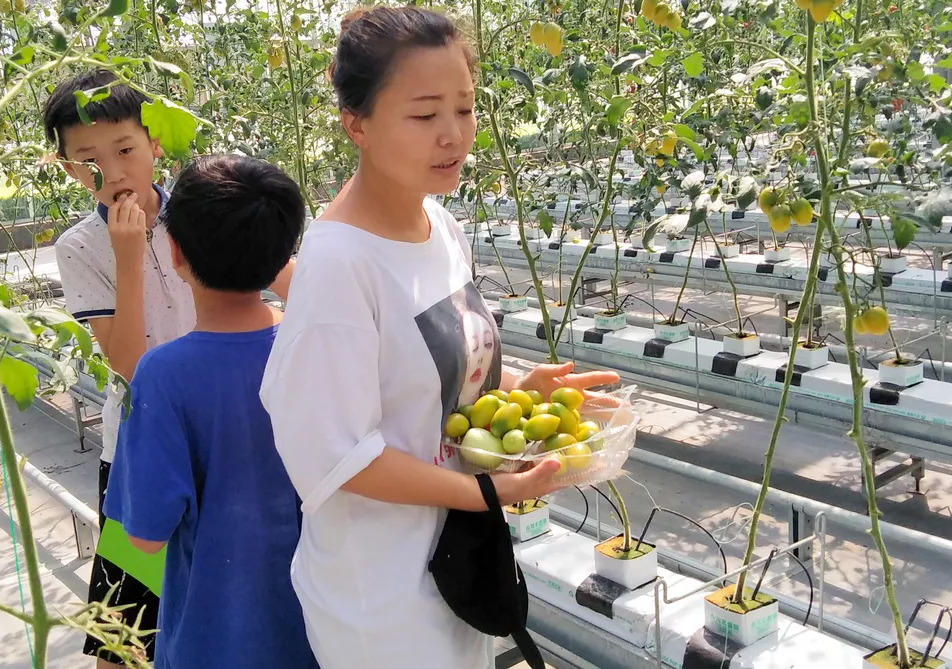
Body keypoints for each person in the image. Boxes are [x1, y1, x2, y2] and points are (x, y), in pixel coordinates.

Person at [260, 6, 622, 668]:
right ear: (356, 124)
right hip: (380, 595)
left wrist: (514, 385)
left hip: (454, 567)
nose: (453, 135)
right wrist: (492, 490)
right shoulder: (340, 265)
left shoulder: (440, 226)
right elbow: (342, 456)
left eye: (465, 108)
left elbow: (430, 370)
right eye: (425, 116)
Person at [43, 69, 295, 667]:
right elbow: (132, 363)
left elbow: (290, 280)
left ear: (155, 144)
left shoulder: (205, 211)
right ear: (69, 168)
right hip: (142, 450)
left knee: (228, 597)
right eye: (90, 160)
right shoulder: (79, 246)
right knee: (123, 630)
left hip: (232, 431)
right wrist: (128, 260)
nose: (115, 171)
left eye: (126, 149)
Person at [104, 154, 317, 669]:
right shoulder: (314, 344)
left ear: (175, 251)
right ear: (284, 254)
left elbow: (145, 537)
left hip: (217, 638)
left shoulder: (164, 375)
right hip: (323, 628)